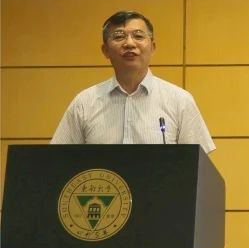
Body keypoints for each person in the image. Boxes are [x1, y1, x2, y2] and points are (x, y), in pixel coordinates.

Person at [51, 10, 216, 153]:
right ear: (105, 50)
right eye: (119, 36)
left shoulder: (180, 101)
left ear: (152, 47)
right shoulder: (84, 103)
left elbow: (197, 165)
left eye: (138, 36)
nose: (129, 43)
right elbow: (58, 160)